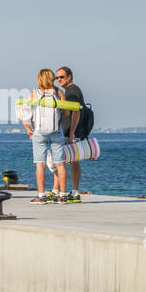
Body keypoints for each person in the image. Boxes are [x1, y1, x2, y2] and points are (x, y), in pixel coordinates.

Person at [24, 68, 68, 203]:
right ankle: (63, 195)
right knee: (60, 164)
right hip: (56, 131)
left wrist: (29, 130)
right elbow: (66, 113)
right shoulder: (59, 92)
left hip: (39, 132)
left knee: (40, 164)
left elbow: (25, 115)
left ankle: (42, 195)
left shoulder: (34, 94)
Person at [56, 66, 85, 200]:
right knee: (71, 160)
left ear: (69, 76)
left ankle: (73, 191)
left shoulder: (72, 91)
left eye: (61, 77)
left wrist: (72, 132)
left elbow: (76, 111)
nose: (59, 80)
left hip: (72, 131)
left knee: (68, 161)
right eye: (57, 78)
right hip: (71, 131)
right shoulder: (69, 91)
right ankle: (73, 191)